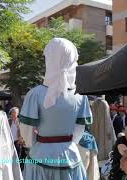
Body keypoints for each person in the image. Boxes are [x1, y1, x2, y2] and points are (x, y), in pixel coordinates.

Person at [19, 38, 92, 180]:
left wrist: (35, 145)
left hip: (40, 157)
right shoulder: (80, 96)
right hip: (71, 158)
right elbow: (79, 130)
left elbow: (26, 130)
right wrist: (66, 143)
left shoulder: (35, 94)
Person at [90, 95, 116, 161]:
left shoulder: (93, 104)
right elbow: (107, 119)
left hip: (94, 128)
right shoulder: (105, 103)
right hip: (104, 129)